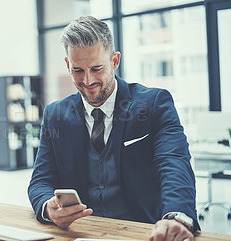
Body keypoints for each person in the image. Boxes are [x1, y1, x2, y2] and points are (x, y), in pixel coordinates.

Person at [28, 16, 199, 241]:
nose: (88, 81)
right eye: (78, 70)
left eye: (97, 68)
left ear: (115, 60)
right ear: (68, 65)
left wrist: (176, 218)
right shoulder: (55, 115)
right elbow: (40, 180)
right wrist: (47, 208)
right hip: (82, 234)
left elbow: (174, 165)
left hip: (144, 232)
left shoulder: (155, 103)